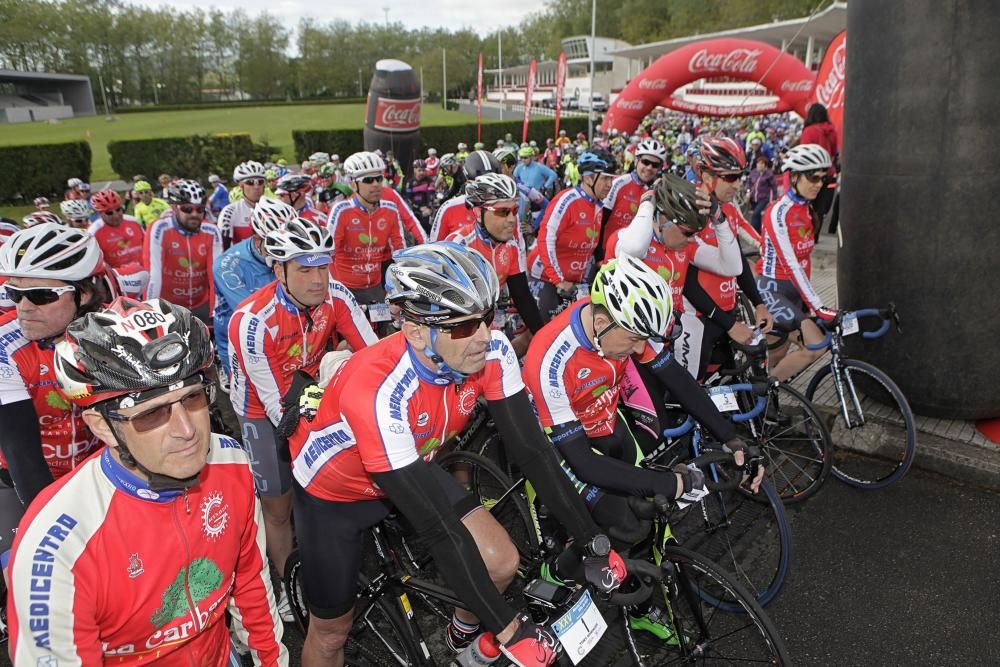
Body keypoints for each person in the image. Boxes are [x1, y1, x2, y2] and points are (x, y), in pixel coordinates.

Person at [286, 243, 623, 667]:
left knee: (501, 563)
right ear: (414, 332)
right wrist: (510, 628)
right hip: (335, 496)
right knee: (332, 634)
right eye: (464, 327)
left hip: (410, 463)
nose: (484, 335)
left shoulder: (492, 352)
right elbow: (439, 530)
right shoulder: (379, 390)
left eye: (487, 317)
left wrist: (591, 539)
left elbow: (535, 452)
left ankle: (461, 639)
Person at [8, 297, 289, 665]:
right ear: (102, 427)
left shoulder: (229, 460)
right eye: (152, 414)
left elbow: (250, 582)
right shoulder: (59, 542)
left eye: (192, 399)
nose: (186, 430)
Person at [229, 219, 377, 624]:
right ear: (279, 271)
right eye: (305, 270)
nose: (318, 280)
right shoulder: (252, 319)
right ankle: (286, 583)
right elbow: (279, 409)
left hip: (311, 387)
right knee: (278, 506)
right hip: (262, 407)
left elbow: (374, 356)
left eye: (323, 267)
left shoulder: (338, 296)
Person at [0, 224, 109, 560]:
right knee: (26, 568)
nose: (24, 307)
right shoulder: (6, 346)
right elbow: (23, 455)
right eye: (15, 294)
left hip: (98, 468)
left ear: (84, 294)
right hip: (20, 477)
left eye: (42, 295)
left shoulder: (113, 331)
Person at [678, 137, 773, 380]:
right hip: (697, 320)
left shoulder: (727, 209)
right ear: (707, 175)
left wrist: (759, 304)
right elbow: (687, 283)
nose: (738, 184)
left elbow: (738, 263)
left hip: (726, 316)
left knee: (727, 391)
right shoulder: (689, 211)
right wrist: (729, 325)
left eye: (740, 176)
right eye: (730, 177)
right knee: (689, 400)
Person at [756, 144, 838, 382]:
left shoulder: (806, 209)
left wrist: (807, 301)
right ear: (793, 176)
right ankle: (763, 394)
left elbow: (804, 261)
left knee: (779, 354)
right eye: (812, 177)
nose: (819, 183)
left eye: (823, 178)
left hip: (795, 293)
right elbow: (791, 264)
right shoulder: (777, 212)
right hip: (773, 289)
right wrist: (819, 306)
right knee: (815, 345)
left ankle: (765, 400)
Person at [447, 174, 544, 355]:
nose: (512, 219)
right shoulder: (460, 245)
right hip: (463, 329)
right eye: (502, 212)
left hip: (492, 320)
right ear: (478, 212)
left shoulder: (511, 245)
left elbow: (522, 296)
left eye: (515, 210)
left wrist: (544, 339)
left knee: (538, 332)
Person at [213, 197, 298, 379]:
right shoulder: (227, 265)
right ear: (256, 237)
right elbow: (252, 315)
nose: (282, 250)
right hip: (240, 334)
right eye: (274, 243)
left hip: (285, 333)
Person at [535, 151, 615, 320]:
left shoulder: (598, 206)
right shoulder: (568, 200)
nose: (610, 184)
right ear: (588, 178)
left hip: (572, 283)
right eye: (605, 178)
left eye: (612, 179)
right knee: (538, 334)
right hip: (547, 278)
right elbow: (545, 238)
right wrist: (558, 280)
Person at [143, 179, 223, 325]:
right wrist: (150, 313)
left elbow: (215, 276)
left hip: (201, 305)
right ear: (174, 208)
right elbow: (154, 276)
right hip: (169, 308)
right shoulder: (160, 229)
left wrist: (215, 313)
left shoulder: (212, 231)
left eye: (200, 209)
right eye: (187, 209)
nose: (195, 214)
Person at [601, 138, 666, 253]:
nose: (649, 167)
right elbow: (602, 219)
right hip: (608, 250)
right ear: (636, 161)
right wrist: (599, 254)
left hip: (631, 255)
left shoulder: (653, 192)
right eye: (645, 162)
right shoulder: (619, 183)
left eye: (655, 165)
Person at [429, 150, 502, 242]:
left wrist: (445, 202)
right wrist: (442, 200)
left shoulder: (462, 175)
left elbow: (461, 192)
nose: (445, 171)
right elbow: (453, 190)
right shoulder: (456, 174)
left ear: (452, 165)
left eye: (446, 167)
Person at [798, 103, 839, 229]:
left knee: (806, 204)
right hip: (828, 171)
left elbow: (804, 153)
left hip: (811, 173)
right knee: (820, 207)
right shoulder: (831, 130)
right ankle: (815, 234)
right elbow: (833, 152)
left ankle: (806, 234)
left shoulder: (809, 131)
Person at [88, 189, 145, 270]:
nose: (116, 215)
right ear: (99, 214)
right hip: (119, 278)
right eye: (109, 213)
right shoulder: (93, 232)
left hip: (144, 272)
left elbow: (148, 247)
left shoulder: (134, 222)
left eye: (118, 209)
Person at [218, 161, 267, 248]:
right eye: (250, 182)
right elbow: (223, 248)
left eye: (260, 182)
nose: (256, 187)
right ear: (241, 186)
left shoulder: (273, 208)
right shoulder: (230, 211)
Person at [748, 155, 778, 233]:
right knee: (757, 216)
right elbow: (749, 183)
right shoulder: (753, 172)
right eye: (758, 163)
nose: (759, 165)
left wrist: (773, 198)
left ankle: (753, 231)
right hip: (754, 198)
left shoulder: (769, 174)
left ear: (765, 165)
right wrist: (748, 192)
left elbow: (773, 187)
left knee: (755, 214)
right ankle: (759, 232)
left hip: (764, 198)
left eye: (762, 163)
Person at [403, 159, 436, 231]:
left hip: (426, 210)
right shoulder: (410, 183)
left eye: (424, 170)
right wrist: (418, 208)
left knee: (427, 226)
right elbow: (408, 199)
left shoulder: (429, 181)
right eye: (419, 170)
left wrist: (428, 208)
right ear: (414, 170)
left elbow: (431, 196)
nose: (422, 173)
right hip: (414, 209)